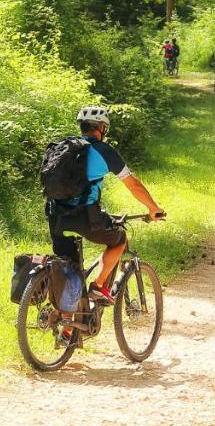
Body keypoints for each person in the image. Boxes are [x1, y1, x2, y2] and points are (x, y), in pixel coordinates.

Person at [48, 107, 165, 307]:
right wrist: (153, 208)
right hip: (85, 216)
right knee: (119, 238)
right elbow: (133, 185)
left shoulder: (63, 147)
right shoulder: (103, 151)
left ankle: (68, 330)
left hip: (55, 215)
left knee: (70, 270)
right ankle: (99, 285)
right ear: (102, 128)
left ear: (82, 127)